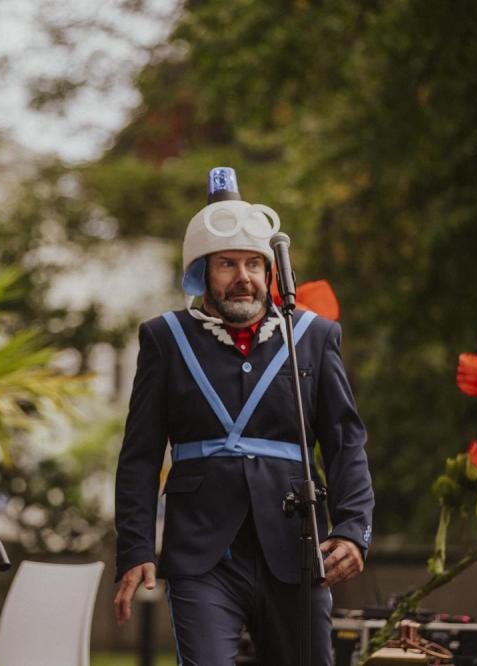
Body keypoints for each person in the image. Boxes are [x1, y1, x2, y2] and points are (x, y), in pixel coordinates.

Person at [112, 169, 374, 665]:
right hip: (202, 555)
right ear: (201, 272)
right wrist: (136, 548)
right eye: (227, 264)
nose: (243, 277)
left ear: (270, 271)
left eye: (254, 263)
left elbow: (345, 442)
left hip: (295, 549)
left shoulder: (313, 336)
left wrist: (353, 528)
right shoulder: (165, 339)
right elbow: (140, 456)